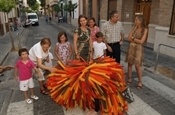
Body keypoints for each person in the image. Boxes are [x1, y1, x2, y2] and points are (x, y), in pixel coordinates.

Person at [125, 15, 148, 89]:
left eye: (136, 20)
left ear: (140, 21)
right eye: (135, 20)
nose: (135, 21)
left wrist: (133, 38)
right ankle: (129, 78)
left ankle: (140, 81)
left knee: (137, 65)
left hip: (138, 49)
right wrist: (135, 40)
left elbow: (141, 41)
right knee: (130, 63)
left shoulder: (145, 29)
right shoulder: (133, 27)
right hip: (131, 47)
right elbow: (128, 38)